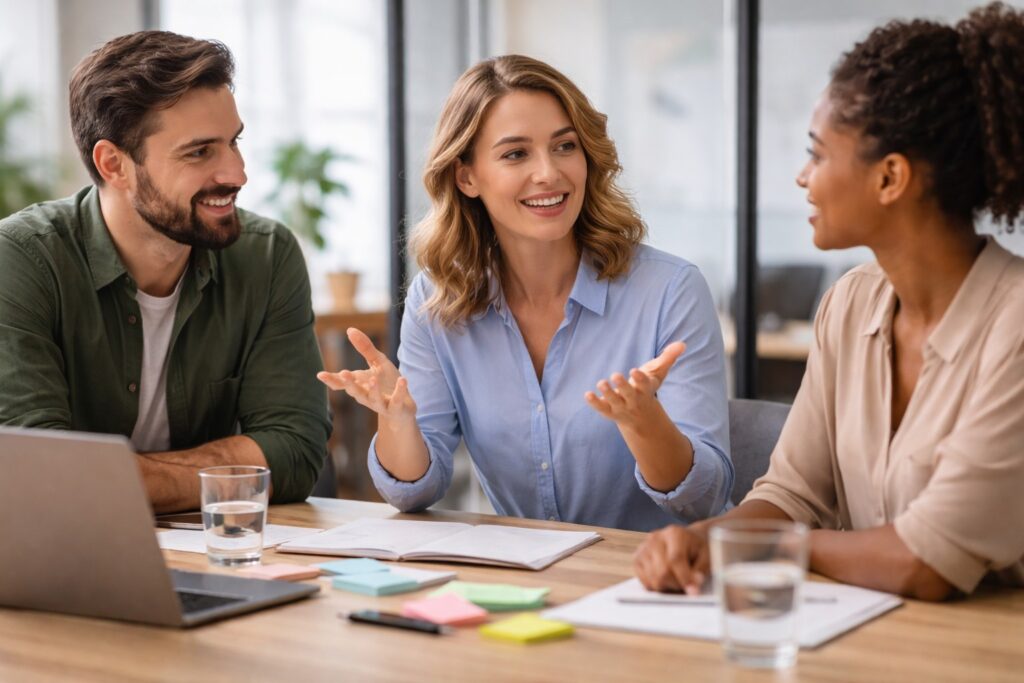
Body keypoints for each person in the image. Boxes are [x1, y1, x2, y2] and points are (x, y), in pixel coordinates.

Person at [634, 2, 1024, 600]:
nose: (802, 176)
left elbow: (926, 560)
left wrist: (754, 548)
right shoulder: (850, 303)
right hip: (868, 638)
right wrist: (706, 540)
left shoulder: (1015, 324)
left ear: (890, 178)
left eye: (817, 153)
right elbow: (793, 495)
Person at [318, 55, 731, 532]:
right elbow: (413, 491)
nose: (549, 174)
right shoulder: (439, 300)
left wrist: (644, 421)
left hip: (657, 580)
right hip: (524, 581)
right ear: (466, 176)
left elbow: (704, 498)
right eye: (516, 154)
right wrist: (396, 420)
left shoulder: (670, 292)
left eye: (564, 146)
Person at [0, 31, 331, 512]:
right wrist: (232, 470)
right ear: (114, 164)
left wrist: (108, 483)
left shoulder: (266, 256)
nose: (237, 174)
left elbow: (294, 454)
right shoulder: (23, 259)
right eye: (200, 152)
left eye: (233, 143)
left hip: (214, 555)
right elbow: (36, 473)